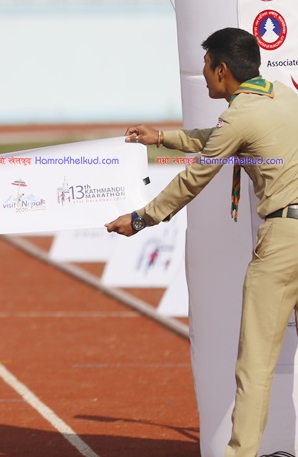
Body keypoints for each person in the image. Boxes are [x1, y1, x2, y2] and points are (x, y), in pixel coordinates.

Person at [105, 27, 298, 457]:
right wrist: (163, 138)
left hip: (285, 243)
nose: (206, 74)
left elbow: (195, 178)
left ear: (223, 70)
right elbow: (220, 139)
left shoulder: (240, 116)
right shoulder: (283, 96)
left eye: (208, 66)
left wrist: (141, 217)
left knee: (255, 366)